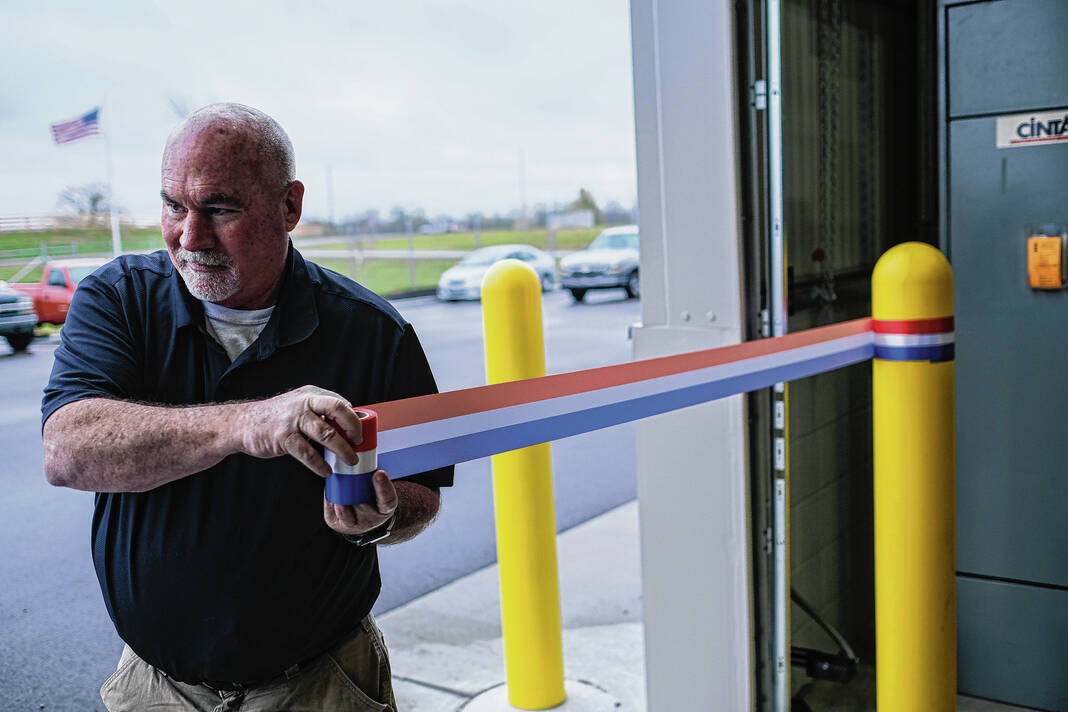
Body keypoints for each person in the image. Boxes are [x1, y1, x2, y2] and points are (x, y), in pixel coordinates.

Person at [41, 103, 453, 711]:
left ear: (290, 206)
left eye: (220, 209)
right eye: (174, 206)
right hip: (155, 687)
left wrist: (383, 520)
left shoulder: (373, 332)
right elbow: (67, 451)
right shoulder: (118, 298)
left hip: (322, 683)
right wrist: (245, 422)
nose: (190, 237)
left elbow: (424, 488)